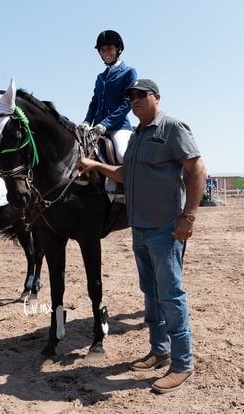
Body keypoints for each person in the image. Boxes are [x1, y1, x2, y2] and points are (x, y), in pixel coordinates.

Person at [76, 79, 207, 394]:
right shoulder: (135, 135)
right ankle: (159, 349)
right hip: (141, 228)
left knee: (170, 295)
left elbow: (198, 170)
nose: (134, 100)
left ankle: (182, 363)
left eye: (140, 95)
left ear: (156, 97)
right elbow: (125, 174)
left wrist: (188, 216)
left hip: (166, 228)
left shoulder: (172, 128)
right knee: (150, 292)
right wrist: (96, 165)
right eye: (130, 97)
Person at [80, 30, 137, 198]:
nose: (106, 53)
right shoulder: (100, 77)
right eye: (102, 50)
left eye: (109, 49)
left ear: (118, 49)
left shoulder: (129, 72)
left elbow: (127, 103)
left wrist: (105, 124)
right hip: (96, 126)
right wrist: (86, 121)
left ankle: (131, 192)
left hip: (119, 127)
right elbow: (94, 103)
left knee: (123, 153)